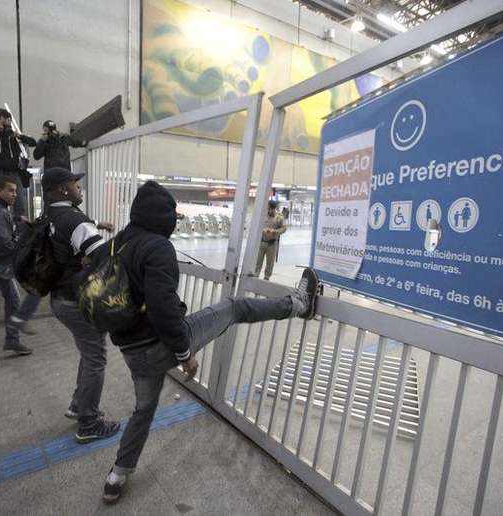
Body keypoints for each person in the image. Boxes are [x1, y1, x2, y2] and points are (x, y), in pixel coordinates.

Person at [84, 181, 319, 503]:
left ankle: (117, 476)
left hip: (130, 351)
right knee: (235, 307)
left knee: (143, 410)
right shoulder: (156, 247)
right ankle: (299, 304)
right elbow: (163, 309)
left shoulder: (116, 245)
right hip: (160, 344)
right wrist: (184, 353)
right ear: (162, 216)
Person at [42, 167, 118, 441]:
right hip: (76, 301)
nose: (79, 188)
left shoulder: (50, 214)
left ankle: (78, 405)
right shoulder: (74, 219)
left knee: (89, 354)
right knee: (96, 357)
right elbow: (104, 260)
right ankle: (89, 424)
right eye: (75, 183)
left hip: (59, 298)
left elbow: (69, 242)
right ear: (63, 188)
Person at [0, 175, 41, 355]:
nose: (14, 194)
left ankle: (12, 340)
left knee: (13, 299)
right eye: (10, 191)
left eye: (16, 191)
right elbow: (5, 242)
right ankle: (19, 322)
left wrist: (18, 222)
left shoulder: (0, 209)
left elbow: (3, 233)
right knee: (38, 283)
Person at [0, 108, 36, 217]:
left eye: (9, 120)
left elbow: (33, 142)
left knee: (19, 203)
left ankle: (20, 229)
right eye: (4, 121)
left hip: (14, 172)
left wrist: (18, 136)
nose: (7, 124)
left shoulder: (13, 133)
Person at [255, 199, 286, 281]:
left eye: (269, 209)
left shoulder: (279, 218)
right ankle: (255, 276)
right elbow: (256, 225)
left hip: (272, 244)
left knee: (270, 263)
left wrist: (275, 231)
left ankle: (266, 278)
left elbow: (284, 228)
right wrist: (263, 230)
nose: (268, 211)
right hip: (261, 242)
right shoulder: (263, 215)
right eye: (267, 209)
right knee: (258, 262)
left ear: (273, 209)